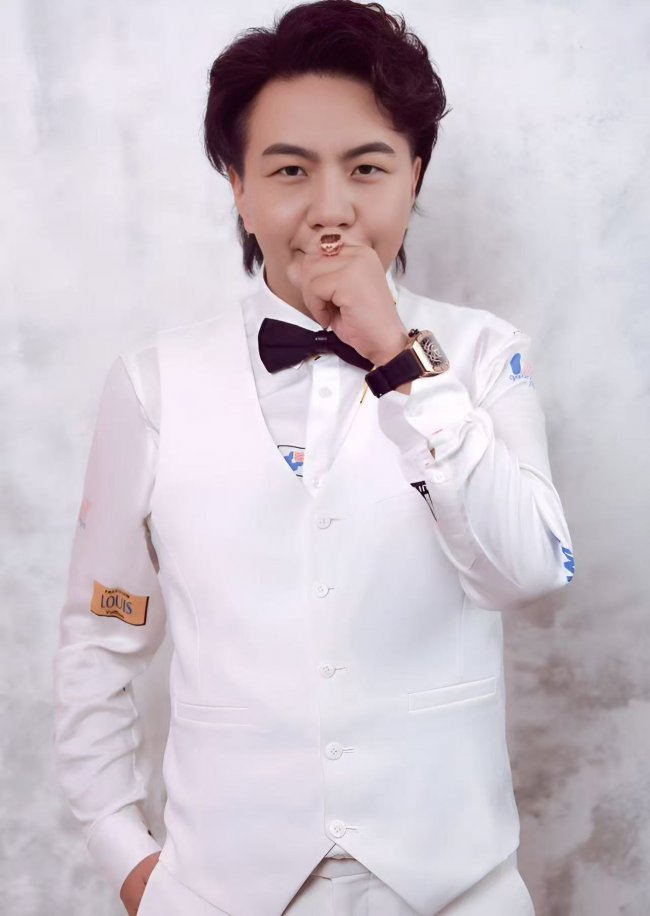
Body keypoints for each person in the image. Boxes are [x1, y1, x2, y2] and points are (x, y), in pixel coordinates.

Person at [52, 1, 576, 914]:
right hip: (219, 891)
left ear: (415, 175)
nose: (331, 211)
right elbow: (102, 635)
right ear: (238, 186)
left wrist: (402, 362)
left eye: (367, 168)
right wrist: (125, 854)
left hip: (459, 889)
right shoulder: (150, 385)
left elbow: (529, 571)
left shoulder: (487, 355)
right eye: (290, 170)